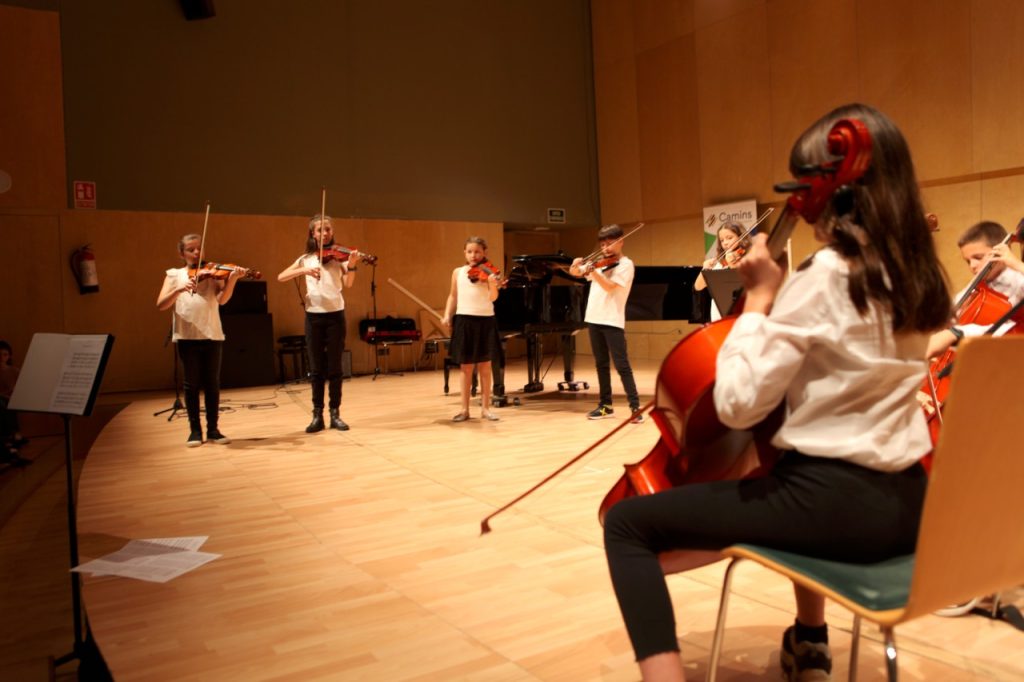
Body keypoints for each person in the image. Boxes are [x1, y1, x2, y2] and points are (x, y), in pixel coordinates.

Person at [602, 103, 951, 682]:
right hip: (912, 502)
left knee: (629, 526)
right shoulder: (912, 273)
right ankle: (809, 639)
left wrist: (761, 300)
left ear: (832, 192)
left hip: (834, 510)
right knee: (781, 463)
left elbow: (739, 404)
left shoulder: (823, 278)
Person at [156, 235, 243, 447]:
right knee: (191, 384)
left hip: (212, 333)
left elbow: (222, 300)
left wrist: (232, 279)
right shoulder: (174, 275)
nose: (196, 253)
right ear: (182, 254)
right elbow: (161, 304)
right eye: (191, 250)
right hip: (187, 335)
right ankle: (195, 430)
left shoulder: (213, 273)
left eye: (199, 249)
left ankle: (213, 429)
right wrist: (179, 289)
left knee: (212, 384)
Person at [277, 214, 360, 433]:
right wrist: (303, 270)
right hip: (313, 316)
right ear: (312, 234)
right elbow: (281, 276)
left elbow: (348, 284)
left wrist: (351, 265)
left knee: (335, 367)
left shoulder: (338, 257)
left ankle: (335, 414)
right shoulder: (306, 258)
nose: (325, 234)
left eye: (328, 230)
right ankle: (317, 415)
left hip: (335, 316)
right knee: (316, 369)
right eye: (320, 230)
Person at [570, 224, 642, 422]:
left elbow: (610, 287)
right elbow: (575, 272)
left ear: (621, 241)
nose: (606, 248)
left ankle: (635, 408)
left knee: (622, 365)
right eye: (603, 244)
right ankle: (605, 406)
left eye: (610, 243)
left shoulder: (626, 264)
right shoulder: (600, 264)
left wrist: (593, 272)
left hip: (612, 320)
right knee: (601, 364)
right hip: (594, 318)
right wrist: (575, 265)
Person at [925, 220, 1024, 358]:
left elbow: (1013, 331)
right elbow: (954, 310)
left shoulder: (1018, 280)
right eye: (968, 261)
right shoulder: (978, 286)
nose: (972, 266)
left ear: (1002, 251)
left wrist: (1016, 264)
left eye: (978, 257)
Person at [441, 236, 502, 422]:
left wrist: (493, 284)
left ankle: (485, 409)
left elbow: (493, 298)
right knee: (465, 367)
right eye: (469, 252)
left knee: (485, 367)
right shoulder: (458, 272)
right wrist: (447, 315)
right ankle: (464, 410)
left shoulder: (491, 273)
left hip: (485, 321)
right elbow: (453, 296)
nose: (473, 255)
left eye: (477, 252)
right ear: (464, 253)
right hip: (464, 320)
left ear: (484, 253)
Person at [693, 221, 752, 322]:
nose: (725, 242)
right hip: (718, 312)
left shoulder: (749, 256)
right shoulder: (719, 261)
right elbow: (698, 287)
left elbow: (741, 285)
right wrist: (705, 269)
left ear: (740, 236)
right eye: (722, 240)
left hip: (742, 311)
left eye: (729, 238)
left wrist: (732, 265)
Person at [0, 340, 30, 466]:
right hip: (2, 401)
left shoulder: (14, 371)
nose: (2, 358)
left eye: (5, 354)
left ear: (9, 356)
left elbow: (22, 388)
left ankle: (12, 438)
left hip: (11, 400)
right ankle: (12, 437)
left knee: (8, 405)